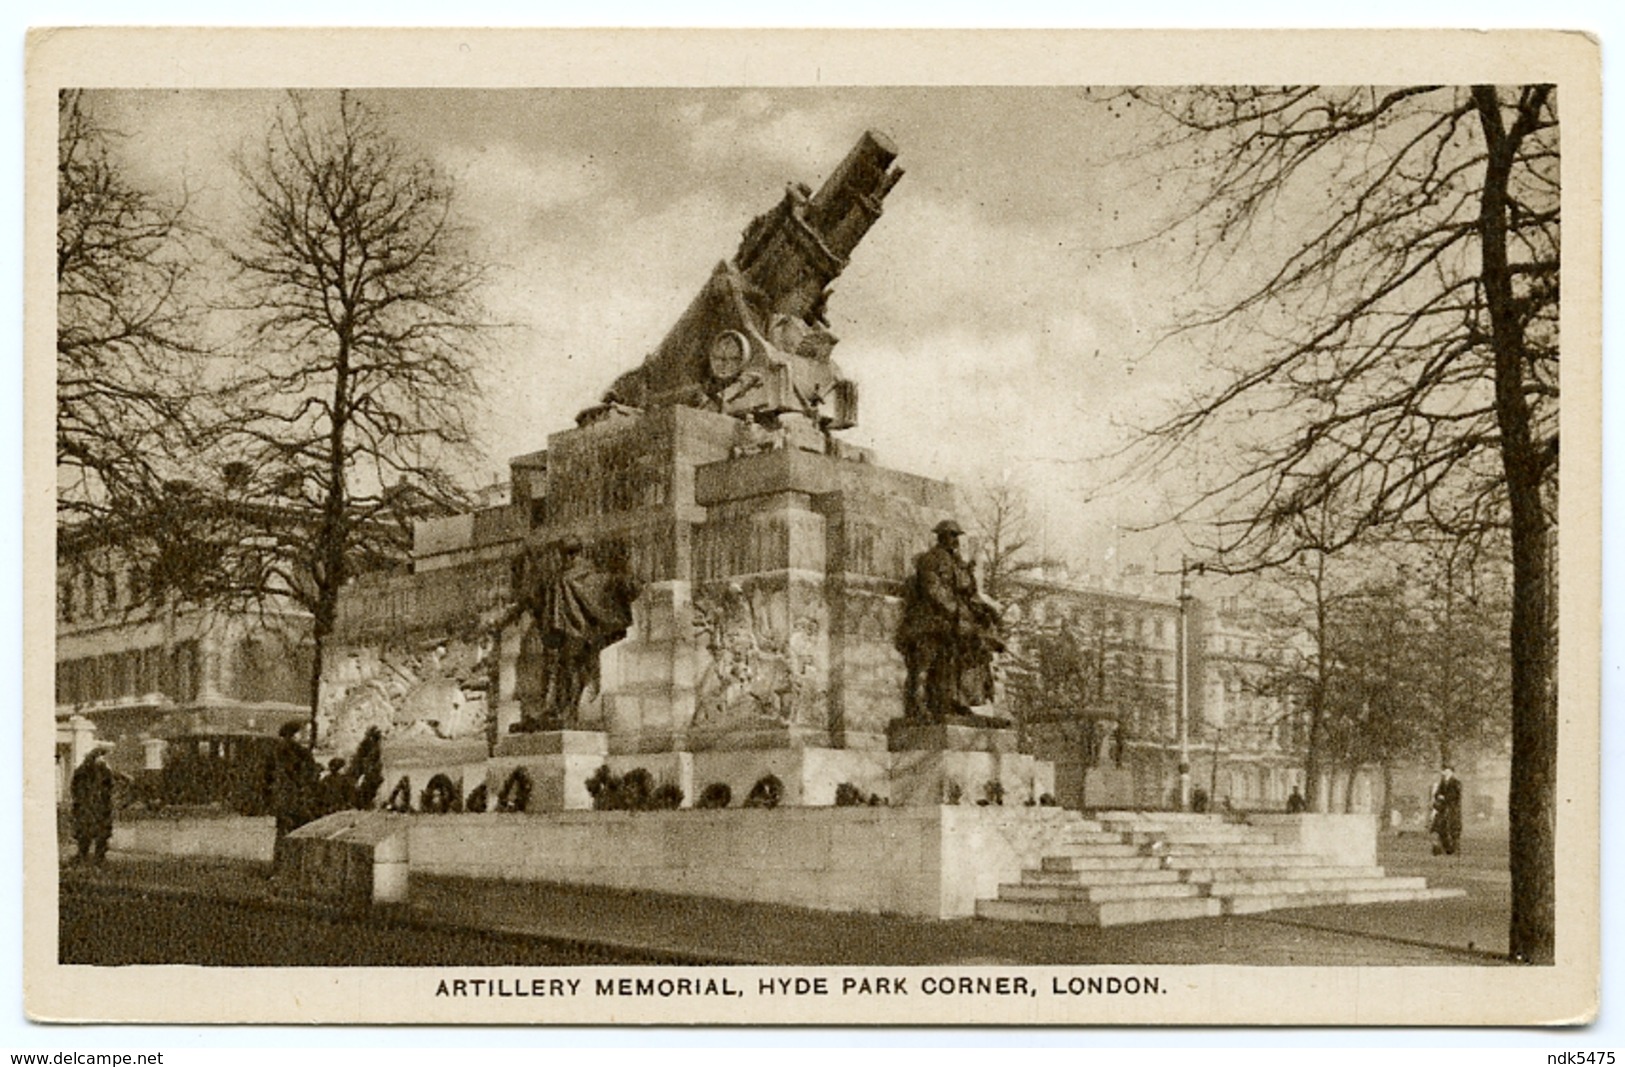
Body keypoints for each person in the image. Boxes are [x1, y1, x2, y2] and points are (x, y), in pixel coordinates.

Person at [895, 519, 1004, 722]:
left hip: (952, 621)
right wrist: (956, 611)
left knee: (958, 660)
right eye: (951, 536)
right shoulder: (930, 559)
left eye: (957, 536)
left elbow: (969, 592)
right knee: (923, 665)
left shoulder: (959, 564)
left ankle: (955, 702)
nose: (955, 540)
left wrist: (982, 611)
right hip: (928, 619)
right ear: (941, 536)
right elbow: (932, 589)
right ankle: (917, 707)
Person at [269, 720, 318, 875]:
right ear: (293, 734)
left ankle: (281, 867)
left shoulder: (279, 749)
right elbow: (301, 774)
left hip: (285, 797)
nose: (306, 735)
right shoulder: (293, 751)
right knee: (294, 831)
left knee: (284, 832)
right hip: (294, 797)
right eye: (303, 732)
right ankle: (290, 868)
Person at [69, 747, 115, 865]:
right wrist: (82, 800)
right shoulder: (82, 771)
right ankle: (82, 855)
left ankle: (99, 857)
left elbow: (109, 787)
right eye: (100, 757)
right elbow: (75, 788)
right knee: (84, 832)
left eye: (103, 757)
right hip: (86, 806)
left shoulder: (104, 771)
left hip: (101, 807)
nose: (102, 760)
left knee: (102, 833)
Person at [1431, 765, 1463, 856]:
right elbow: (1437, 793)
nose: (1445, 772)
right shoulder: (1442, 782)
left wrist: (1444, 797)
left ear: (1451, 772)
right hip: (1442, 808)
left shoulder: (1456, 783)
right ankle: (1443, 849)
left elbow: (1456, 796)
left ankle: (1453, 849)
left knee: (1452, 829)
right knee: (1439, 828)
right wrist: (1439, 797)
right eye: (1444, 771)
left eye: (1447, 771)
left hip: (1451, 809)